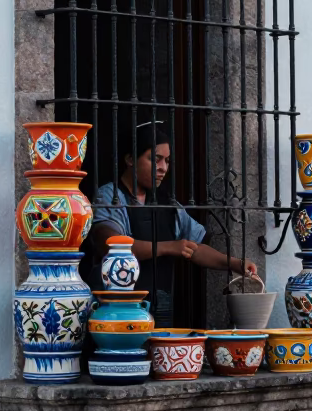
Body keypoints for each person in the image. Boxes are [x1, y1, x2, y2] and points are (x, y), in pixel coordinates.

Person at [90, 123, 258, 322]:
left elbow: (193, 248)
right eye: (155, 159)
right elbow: (111, 245)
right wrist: (168, 247)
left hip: (161, 305)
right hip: (119, 307)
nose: (163, 168)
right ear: (130, 159)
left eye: (167, 161)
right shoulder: (111, 196)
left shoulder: (168, 204)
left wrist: (235, 264)